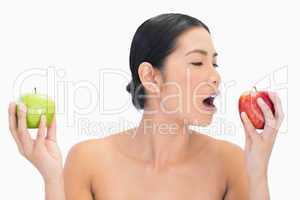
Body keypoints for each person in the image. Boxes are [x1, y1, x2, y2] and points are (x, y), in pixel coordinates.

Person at [8, 13, 284, 200]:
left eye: (215, 63)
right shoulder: (87, 160)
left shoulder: (233, 162)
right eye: (198, 63)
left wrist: (258, 172)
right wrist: (52, 178)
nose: (215, 76)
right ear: (151, 76)